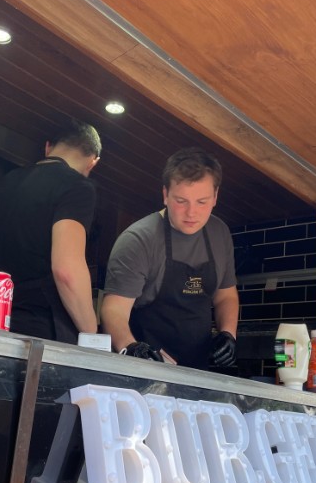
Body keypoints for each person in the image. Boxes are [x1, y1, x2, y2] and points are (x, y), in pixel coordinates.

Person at [0, 119, 101, 344]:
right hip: (39, 334)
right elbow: (66, 270)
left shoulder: (0, 183)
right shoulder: (78, 187)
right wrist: (92, 335)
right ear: (92, 162)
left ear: (48, 147)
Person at [100, 147, 239, 370]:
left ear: (215, 197)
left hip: (201, 367)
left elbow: (225, 296)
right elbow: (113, 310)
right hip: (148, 365)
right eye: (181, 201)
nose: (192, 212)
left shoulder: (219, 233)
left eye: (202, 202)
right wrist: (132, 348)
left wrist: (228, 335)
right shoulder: (139, 239)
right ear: (165, 195)